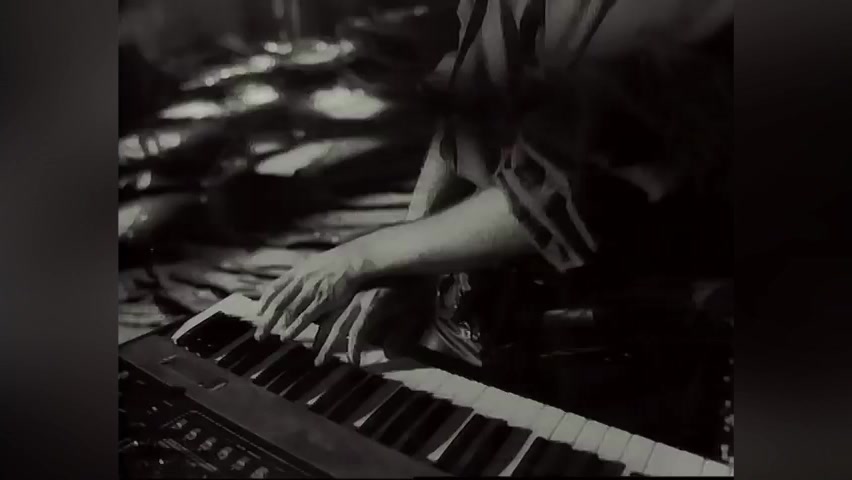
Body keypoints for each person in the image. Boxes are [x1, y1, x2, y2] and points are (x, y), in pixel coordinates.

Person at [252, 0, 733, 379]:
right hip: (481, 311)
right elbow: (464, 112)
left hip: (615, 344)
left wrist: (367, 256)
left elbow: (572, 188)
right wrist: (409, 265)